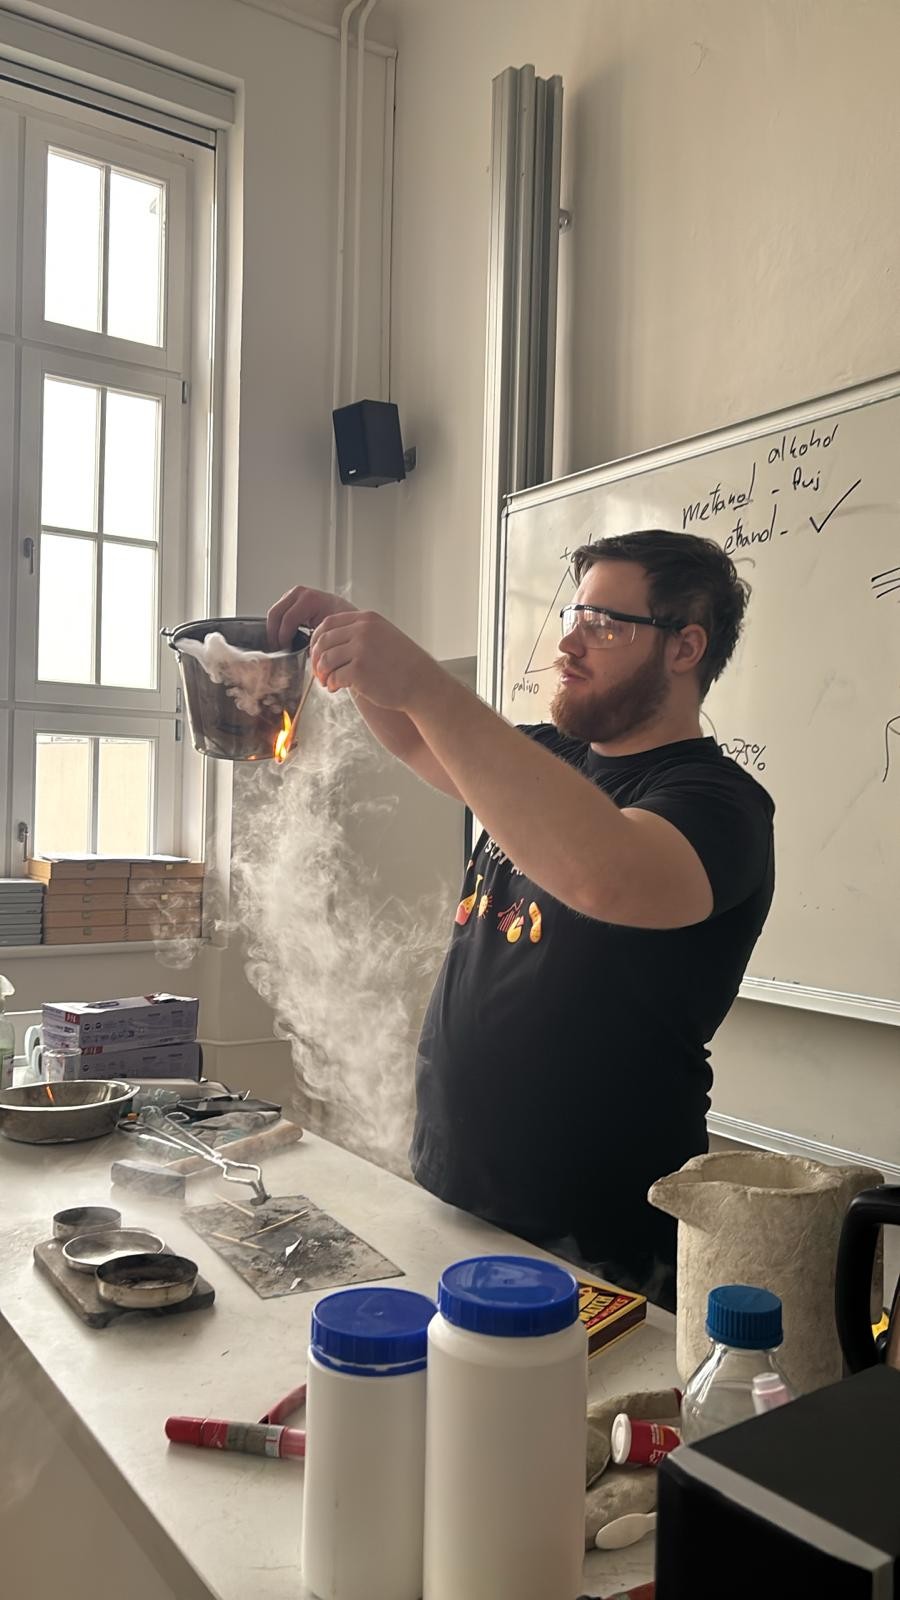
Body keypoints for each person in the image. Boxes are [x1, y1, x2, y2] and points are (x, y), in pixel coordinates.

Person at [268, 529, 774, 1308]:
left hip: (600, 1236)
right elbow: (418, 741)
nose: (568, 644)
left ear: (685, 647)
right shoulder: (550, 758)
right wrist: (353, 644)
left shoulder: (721, 806)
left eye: (604, 624)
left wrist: (422, 681)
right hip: (455, 1190)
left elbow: (603, 874)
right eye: (574, 616)